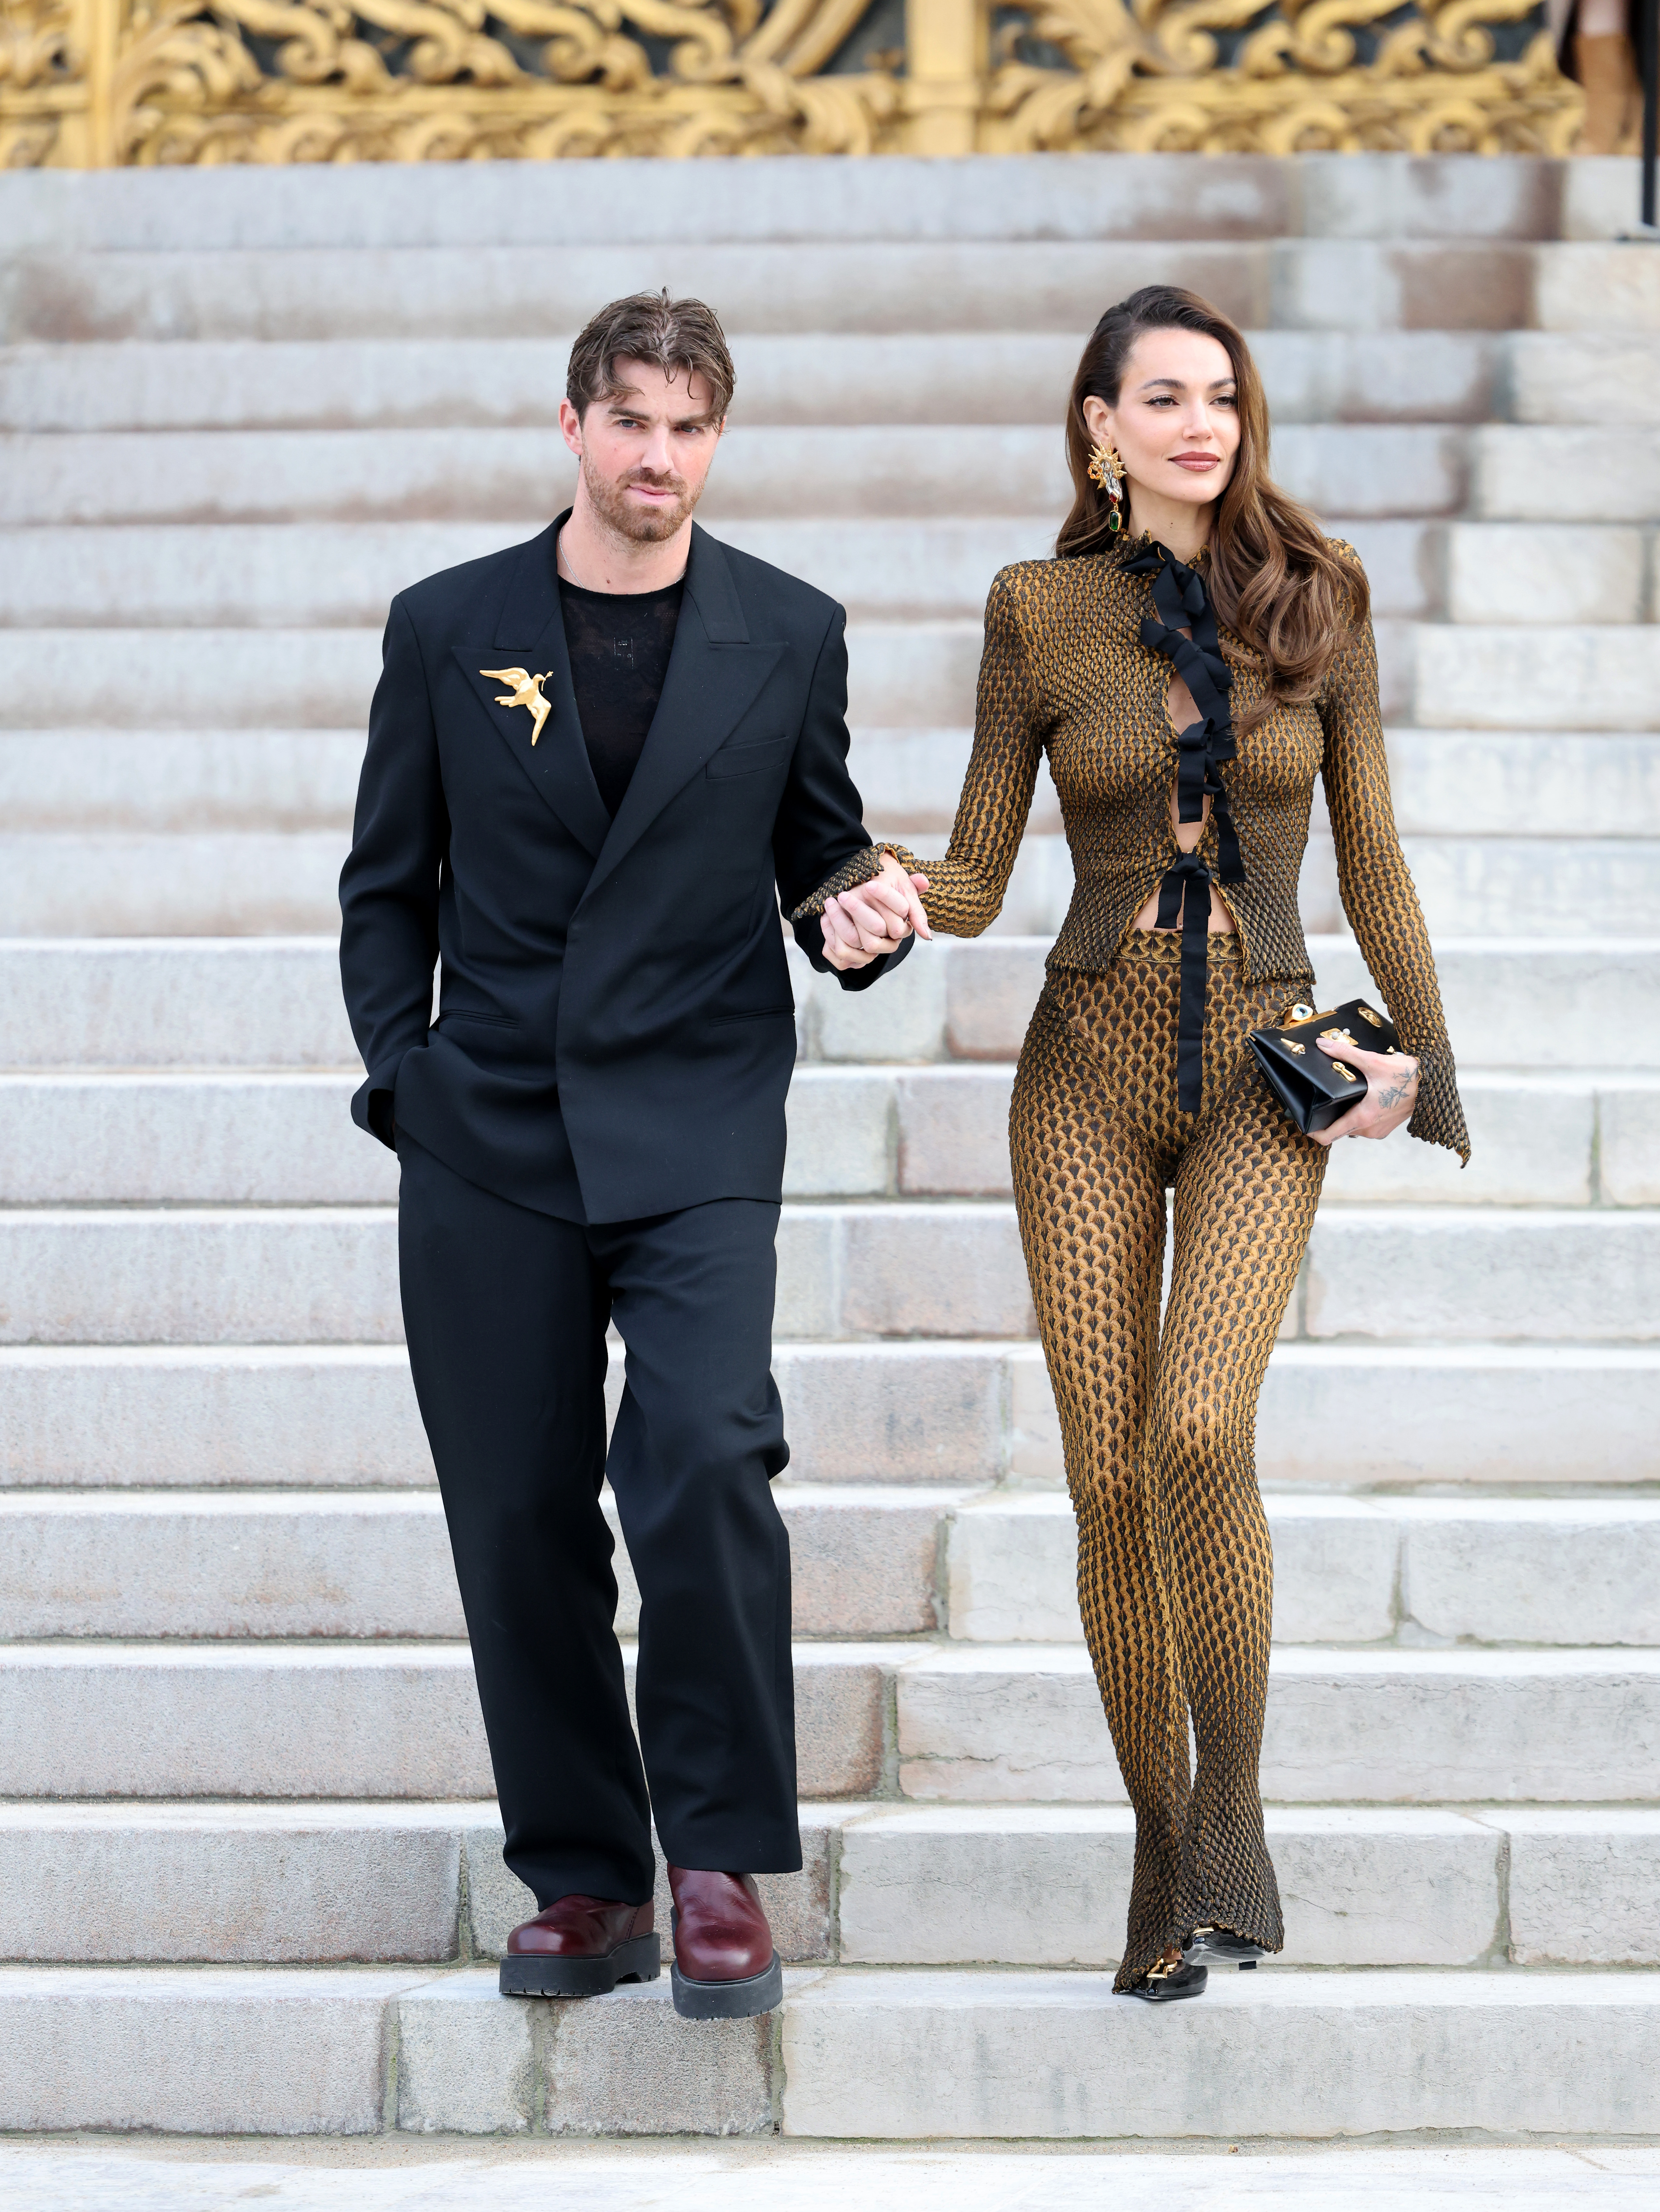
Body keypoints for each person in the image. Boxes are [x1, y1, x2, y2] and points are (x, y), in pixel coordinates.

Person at [796, 285, 1469, 2003]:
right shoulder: (1036, 609)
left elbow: (1375, 859)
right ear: (1099, 425)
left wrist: (1428, 1068)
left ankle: (1232, 1806)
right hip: (1083, 1065)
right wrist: (865, 886)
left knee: (1196, 1430)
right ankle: (1162, 1854)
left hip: (1263, 1060)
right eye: (1163, 397)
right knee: (1105, 1480)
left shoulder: (1320, 593)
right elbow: (975, 868)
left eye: (1221, 397)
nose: (1200, 426)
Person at [339, 290, 927, 2021]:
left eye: (689, 427)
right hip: (491, 1129)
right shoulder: (449, 627)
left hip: (696, 1117)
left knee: (707, 1453)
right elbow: (387, 886)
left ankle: (719, 1860)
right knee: (516, 1508)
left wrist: (857, 918)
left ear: (716, 439)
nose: (658, 456)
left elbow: (818, 854)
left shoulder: (789, 631)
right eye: (630, 422)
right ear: (575, 427)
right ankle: (587, 1879)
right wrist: (406, 1080)